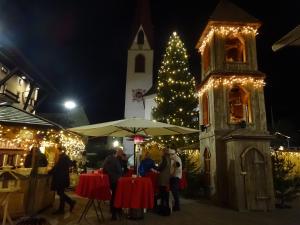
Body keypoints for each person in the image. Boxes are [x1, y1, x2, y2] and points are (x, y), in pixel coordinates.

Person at [48, 146, 76, 215]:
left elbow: (56, 168)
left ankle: (65, 206)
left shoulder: (62, 158)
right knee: (61, 193)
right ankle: (67, 205)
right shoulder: (64, 157)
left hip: (61, 179)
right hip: (63, 178)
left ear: (58, 150)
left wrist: (49, 172)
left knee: (60, 193)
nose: (55, 152)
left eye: (56, 150)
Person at [102, 148, 123, 220]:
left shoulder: (106, 159)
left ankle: (112, 210)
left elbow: (103, 170)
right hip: (116, 180)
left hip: (109, 180)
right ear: (114, 153)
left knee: (112, 196)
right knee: (115, 196)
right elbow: (119, 170)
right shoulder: (115, 160)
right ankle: (115, 212)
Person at [157, 147, 171, 216]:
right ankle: (166, 210)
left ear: (164, 152)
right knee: (166, 195)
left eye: (162, 151)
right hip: (167, 179)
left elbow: (161, 168)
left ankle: (163, 211)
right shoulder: (169, 158)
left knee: (163, 195)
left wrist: (156, 168)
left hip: (163, 179)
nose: (161, 152)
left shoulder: (164, 158)